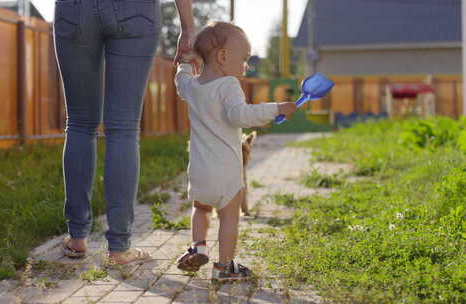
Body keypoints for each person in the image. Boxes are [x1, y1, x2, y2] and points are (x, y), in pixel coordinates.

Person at [54, 0, 198, 265]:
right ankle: (119, 248)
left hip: (75, 10)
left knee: (79, 124)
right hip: (136, 11)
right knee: (123, 127)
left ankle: (76, 238)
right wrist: (188, 26)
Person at [174, 21, 297, 282]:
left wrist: (185, 62)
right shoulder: (229, 85)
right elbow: (240, 115)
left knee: (201, 209)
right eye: (244, 59)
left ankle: (198, 246)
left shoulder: (193, 88)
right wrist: (276, 108)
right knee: (229, 218)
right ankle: (224, 267)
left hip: (199, 171)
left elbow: (180, 81)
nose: (246, 66)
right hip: (226, 174)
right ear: (222, 57)